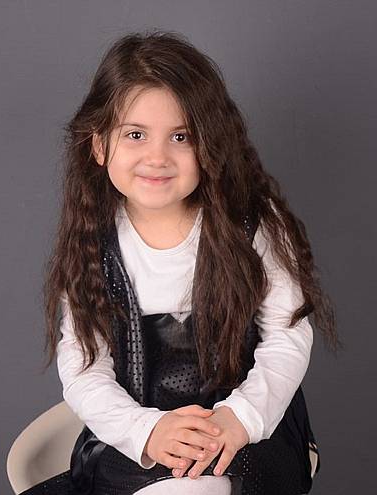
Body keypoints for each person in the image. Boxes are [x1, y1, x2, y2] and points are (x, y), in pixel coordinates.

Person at [25, 29, 341, 495]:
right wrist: (147, 430)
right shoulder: (93, 241)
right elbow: (84, 367)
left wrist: (239, 418)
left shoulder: (250, 224)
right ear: (99, 145)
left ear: (210, 144)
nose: (157, 157)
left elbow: (286, 335)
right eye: (135, 135)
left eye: (180, 136)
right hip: (138, 433)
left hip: (245, 431)